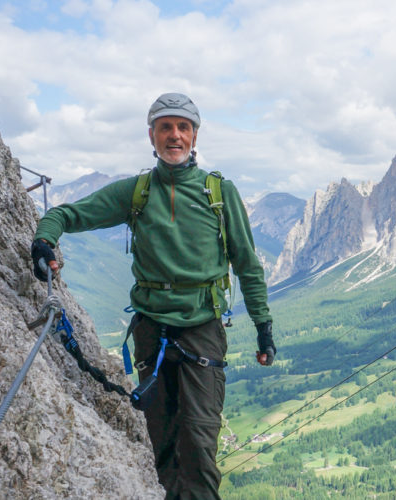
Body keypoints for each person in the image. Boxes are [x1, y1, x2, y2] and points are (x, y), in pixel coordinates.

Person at [30, 92, 275, 499]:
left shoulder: (219, 193)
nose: (174, 136)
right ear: (152, 136)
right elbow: (65, 214)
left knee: (198, 444)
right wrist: (43, 241)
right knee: (160, 443)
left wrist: (264, 326)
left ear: (195, 137)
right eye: (166, 127)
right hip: (152, 332)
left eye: (183, 128)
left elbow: (247, 265)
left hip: (202, 331)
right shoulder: (137, 192)